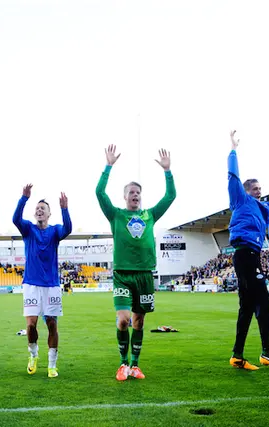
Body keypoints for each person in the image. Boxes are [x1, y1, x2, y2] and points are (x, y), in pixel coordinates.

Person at [96, 145, 175, 381]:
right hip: (122, 274)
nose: (135, 195)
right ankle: (122, 364)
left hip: (144, 275)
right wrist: (108, 166)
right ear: (125, 196)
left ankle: (135, 364)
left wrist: (167, 171)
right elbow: (100, 193)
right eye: (131, 192)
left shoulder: (150, 215)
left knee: (139, 322)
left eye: (138, 192)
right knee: (123, 320)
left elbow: (170, 196)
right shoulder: (116, 215)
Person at [227, 131, 269, 370]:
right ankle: (267, 353)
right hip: (244, 254)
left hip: (252, 255)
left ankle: (237, 355)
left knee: (246, 307)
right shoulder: (240, 200)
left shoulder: (264, 208)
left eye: (259, 188)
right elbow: (233, 176)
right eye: (255, 188)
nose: (258, 191)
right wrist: (233, 149)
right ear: (246, 190)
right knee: (264, 302)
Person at [13, 184, 72, 378]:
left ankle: (52, 365)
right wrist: (24, 198)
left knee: (52, 325)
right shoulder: (28, 229)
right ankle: (33, 355)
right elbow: (15, 219)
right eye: (37, 208)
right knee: (30, 325)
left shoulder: (55, 231)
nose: (39, 210)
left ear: (48, 214)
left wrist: (65, 209)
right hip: (31, 285)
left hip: (52, 286)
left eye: (43, 209)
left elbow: (68, 228)